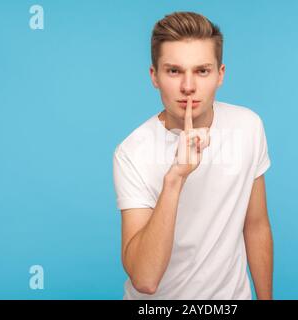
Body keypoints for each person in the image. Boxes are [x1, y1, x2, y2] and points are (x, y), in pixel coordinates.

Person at [113, 11, 273, 300]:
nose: (188, 86)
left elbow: (256, 225)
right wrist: (175, 177)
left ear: (220, 74)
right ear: (155, 76)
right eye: (174, 71)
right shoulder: (132, 152)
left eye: (202, 70)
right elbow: (145, 279)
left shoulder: (248, 126)